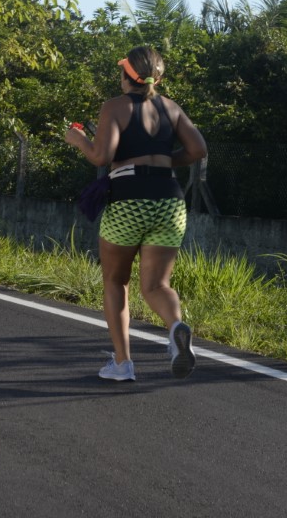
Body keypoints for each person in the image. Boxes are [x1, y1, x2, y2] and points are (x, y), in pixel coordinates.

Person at [64, 46, 208, 381]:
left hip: (129, 199)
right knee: (157, 284)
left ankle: (123, 363)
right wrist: (162, 161)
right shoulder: (171, 107)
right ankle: (176, 327)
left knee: (116, 281)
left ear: (126, 75)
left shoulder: (115, 106)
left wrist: (78, 139)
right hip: (169, 201)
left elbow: (102, 157)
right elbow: (198, 149)